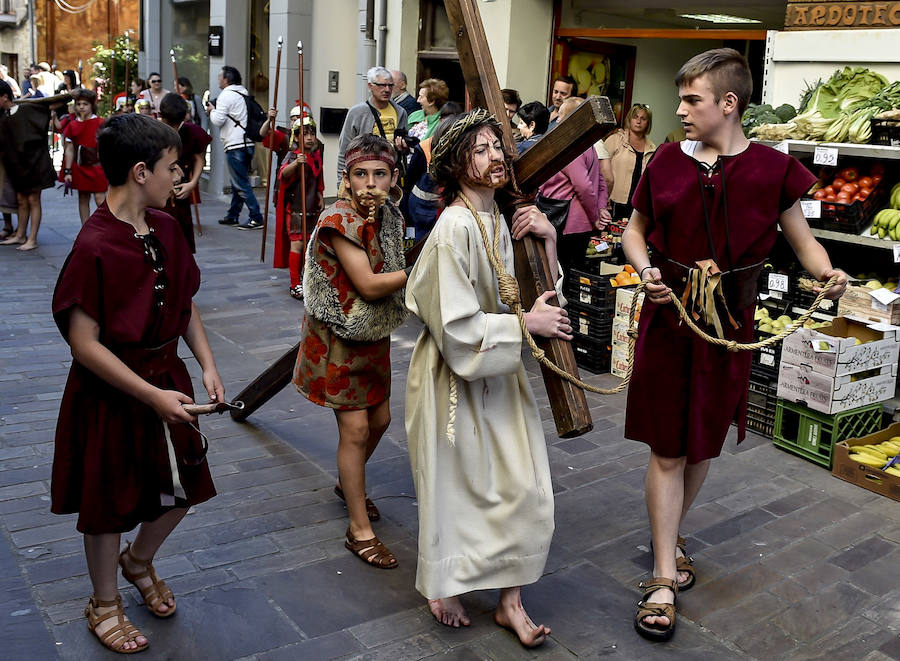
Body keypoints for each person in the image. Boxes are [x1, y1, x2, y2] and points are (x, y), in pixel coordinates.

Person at [621, 48, 847, 642]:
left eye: (692, 99)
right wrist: (645, 271)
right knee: (668, 447)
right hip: (670, 319)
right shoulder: (666, 159)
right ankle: (664, 574)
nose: (680, 110)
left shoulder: (773, 168)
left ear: (729, 103)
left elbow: (804, 244)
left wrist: (828, 273)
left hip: (730, 331)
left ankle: (668, 534)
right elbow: (634, 232)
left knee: (701, 444)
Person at [51, 112, 224, 654]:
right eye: (175, 169)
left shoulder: (169, 228)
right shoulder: (94, 245)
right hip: (112, 391)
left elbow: (185, 302)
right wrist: (149, 395)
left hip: (166, 373)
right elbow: (84, 343)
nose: (181, 178)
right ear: (142, 171)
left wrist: (207, 364)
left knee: (185, 484)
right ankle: (104, 602)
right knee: (107, 498)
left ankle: (139, 561)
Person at [405, 109, 571, 647]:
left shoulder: (499, 214)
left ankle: (509, 600)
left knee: (523, 489)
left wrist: (547, 241)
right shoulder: (454, 227)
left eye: (497, 145)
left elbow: (531, 294)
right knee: (458, 488)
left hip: (499, 371)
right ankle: (445, 583)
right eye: (480, 149)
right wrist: (526, 325)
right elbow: (455, 327)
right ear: (456, 163)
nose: (496, 156)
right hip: (454, 380)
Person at [293, 133, 408, 569]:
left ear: (393, 178)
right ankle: (359, 531)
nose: (370, 183)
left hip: (373, 334)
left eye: (380, 174)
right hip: (339, 339)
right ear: (347, 180)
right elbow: (369, 284)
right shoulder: (338, 220)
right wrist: (425, 269)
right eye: (361, 174)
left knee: (380, 419)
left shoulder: (389, 216)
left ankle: (348, 484)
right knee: (356, 429)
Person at [539, 97, 609, 273]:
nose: (558, 120)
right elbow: (600, 181)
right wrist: (600, 209)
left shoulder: (572, 147)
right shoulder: (589, 144)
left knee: (562, 274)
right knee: (574, 271)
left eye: (562, 115)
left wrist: (595, 216)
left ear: (572, 119)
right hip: (580, 223)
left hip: (568, 222)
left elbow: (584, 187)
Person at [0, 81, 63, 251]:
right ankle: (20, 234)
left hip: (35, 163)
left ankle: (32, 238)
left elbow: (52, 105)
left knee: (33, 199)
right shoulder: (4, 116)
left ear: (4, 96)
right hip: (17, 166)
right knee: (21, 200)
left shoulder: (28, 109)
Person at [207, 65, 263, 230]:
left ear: (226, 79)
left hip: (235, 144)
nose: (218, 79)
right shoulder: (243, 93)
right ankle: (233, 215)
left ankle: (256, 217)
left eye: (220, 76)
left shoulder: (226, 95)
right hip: (247, 143)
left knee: (241, 183)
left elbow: (218, 120)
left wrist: (211, 110)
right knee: (237, 182)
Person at [275, 115, 324, 300]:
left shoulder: (316, 155)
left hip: (311, 205)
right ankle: (294, 283)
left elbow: (318, 178)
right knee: (297, 244)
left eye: (312, 133)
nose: (310, 138)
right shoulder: (293, 155)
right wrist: (297, 163)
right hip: (296, 207)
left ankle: (305, 279)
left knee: (309, 246)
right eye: (305, 134)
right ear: (296, 137)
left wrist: (320, 194)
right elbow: (283, 174)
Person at [336, 67, 408, 184]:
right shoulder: (357, 112)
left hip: (390, 176)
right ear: (370, 86)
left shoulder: (400, 112)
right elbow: (344, 150)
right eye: (382, 85)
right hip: (363, 175)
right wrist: (341, 183)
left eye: (390, 85)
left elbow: (405, 150)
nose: (387, 89)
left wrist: (403, 148)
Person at [159, 92, 212, 253]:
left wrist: (192, 183)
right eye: (170, 123)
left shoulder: (191, 131)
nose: (174, 128)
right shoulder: (153, 131)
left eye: (177, 123)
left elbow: (199, 159)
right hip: (157, 190)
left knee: (182, 237)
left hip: (181, 190)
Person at [402, 101, 463, 239]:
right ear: (440, 121)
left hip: (447, 210)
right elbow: (409, 182)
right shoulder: (425, 147)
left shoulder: (463, 148)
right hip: (421, 213)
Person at [62, 89, 108, 225]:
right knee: (83, 198)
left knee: (100, 199)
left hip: (97, 166)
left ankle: (107, 228)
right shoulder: (72, 125)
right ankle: (85, 229)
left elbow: (107, 146)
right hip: (80, 167)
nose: (81, 106)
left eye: (85, 104)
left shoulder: (101, 123)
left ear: (92, 105)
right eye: (79, 104)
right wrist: (68, 171)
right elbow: (69, 149)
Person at [605, 103, 657, 220]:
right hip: (613, 203)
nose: (638, 121)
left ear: (648, 123)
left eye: (643, 118)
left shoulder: (652, 148)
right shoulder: (615, 140)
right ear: (629, 119)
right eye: (635, 117)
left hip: (638, 205)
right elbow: (600, 171)